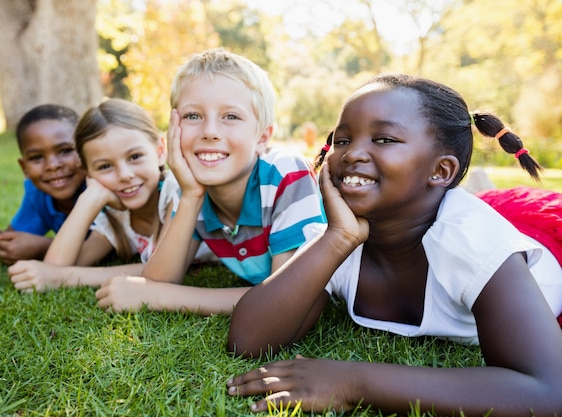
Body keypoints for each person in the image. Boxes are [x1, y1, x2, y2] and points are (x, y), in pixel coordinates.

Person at [226, 73, 562, 416]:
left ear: (441, 170)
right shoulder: (338, 234)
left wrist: (353, 381)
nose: (353, 153)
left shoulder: (473, 242)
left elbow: (547, 391)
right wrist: (337, 239)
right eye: (342, 140)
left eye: (383, 139)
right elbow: (247, 341)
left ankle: (478, 192)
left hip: (544, 238)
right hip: (440, 208)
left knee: (488, 212)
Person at [95, 48, 327, 314]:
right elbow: (158, 280)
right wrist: (191, 197)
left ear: (262, 138)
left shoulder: (285, 174)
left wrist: (161, 297)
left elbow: (287, 295)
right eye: (193, 116)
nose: (210, 132)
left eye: (231, 116)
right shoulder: (191, 189)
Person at [8, 98, 211, 291]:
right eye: (105, 166)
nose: (124, 175)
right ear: (87, 171)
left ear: (159, 151)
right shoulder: (116, 214)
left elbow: (160, 272)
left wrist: (64, 279)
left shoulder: (174, 191)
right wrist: (89, 199)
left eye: (135, 157)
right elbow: (56, 265)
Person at [0, 104, 86, 265]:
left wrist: (43, 247)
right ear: (24, 167)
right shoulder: (38, 195)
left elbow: (111, 248)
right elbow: (17, 237)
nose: (53, 165)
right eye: (36, 157)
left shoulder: (103, 188)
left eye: (65, 150)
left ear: (87, 151)